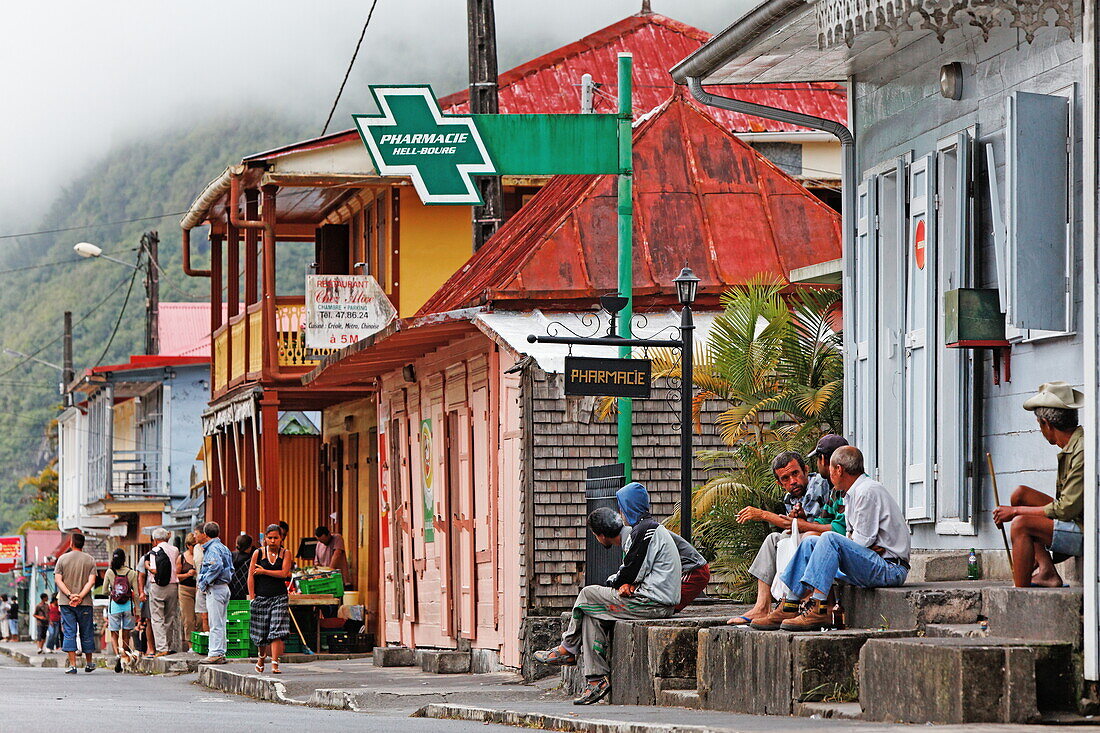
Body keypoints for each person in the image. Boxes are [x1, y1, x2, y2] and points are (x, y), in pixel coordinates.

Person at [533, 507, 681, 705]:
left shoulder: (641, 533)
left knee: (587, 594)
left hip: (653, 603)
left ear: (601, 535)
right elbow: (632, 571)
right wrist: (625, 582)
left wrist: (626, 582)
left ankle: (568, 648)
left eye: (595, 535)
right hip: (651, 598)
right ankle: (596, 680)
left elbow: (631, 571)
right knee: (591, 613)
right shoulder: (641, 531)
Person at [754, 446, 909, 631]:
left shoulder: (867, 491)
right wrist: (858, 545)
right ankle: (789, 605)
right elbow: (854, 538)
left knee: (829, 538)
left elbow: (860, 542)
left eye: (831, 469)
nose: (828, 474)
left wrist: (858, 545)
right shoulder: (852, 493)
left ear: (839, 469)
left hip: (890, 569)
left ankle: (819, 608)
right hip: (874, 561)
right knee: (810, 542)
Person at [729, 437, 849, 625]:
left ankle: (797, 605)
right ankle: (762, 606)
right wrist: (799, 519)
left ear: (807, 470)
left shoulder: (821, 483)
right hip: (817, 536)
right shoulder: (790, 498)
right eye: (786, 478)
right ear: (779, 483)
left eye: (796, 473)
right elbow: (803, 523)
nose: (793, 481)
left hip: (827, 541)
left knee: (803, 539)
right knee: (773, 540)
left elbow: (798, 526)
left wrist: (762, 514)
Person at [993, 381, 1085, 588]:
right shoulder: (1074, 443)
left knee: (1021, 524)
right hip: (1076, 517)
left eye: (1039, 425)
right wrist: (1015, 508)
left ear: (1046, 424)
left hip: (1086, 529)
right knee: (1020, 494)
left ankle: (1020, 594)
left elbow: (1065, 509)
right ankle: (1046, 571)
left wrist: (1015, 512)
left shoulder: (1082, 450)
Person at [613, 482, 710, 612]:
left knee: (661, 606)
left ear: (627, 508)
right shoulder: (644, 527)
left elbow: (634, 569)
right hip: (685, 568)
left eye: (621, 508)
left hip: (692, 570)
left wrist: (622, 582)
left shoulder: (643, 531)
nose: (620, 513)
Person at [249, 524, 293, 675]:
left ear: (281, 539)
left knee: (277, 630)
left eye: (276, 538)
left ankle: (275, 663)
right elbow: (251, 576)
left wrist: (264, 571)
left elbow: (284, 573)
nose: (273, 541)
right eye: (270, 538)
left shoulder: (286, 553)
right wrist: (252, 596)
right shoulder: (258, 554)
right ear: (265, 539)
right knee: (261, 632)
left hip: (279, 597)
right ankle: (261, 657)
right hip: (261, 597)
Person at [54, 532, 99, 673]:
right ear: (83, 544)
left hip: (66, 603)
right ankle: (89, 663)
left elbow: (58, 580)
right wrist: (80, 596)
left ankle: (73, 665)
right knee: (86, 631)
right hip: (84, 602)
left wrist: (69, 595)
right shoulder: (90, 560)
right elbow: (91, 581)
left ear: (71, 543)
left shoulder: (62, 559)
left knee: (69, 631)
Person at [196, 521, 234, 665]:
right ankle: (220, 651)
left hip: (216, 588)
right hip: (224, 586)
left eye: (197, 533)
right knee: (221, 622)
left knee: (215, 622)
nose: (195, 536)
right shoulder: (223, 548)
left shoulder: (212, 549)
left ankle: (215, 653)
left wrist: (205, 581)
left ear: (205, 535)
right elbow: (229, 568)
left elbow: (215, 565)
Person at [143, 528, 180, 656]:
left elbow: (154, 570)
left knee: (157, 617)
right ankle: (168, 645)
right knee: (170, 616)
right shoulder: (175, 550)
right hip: (173, 585)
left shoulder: (154, 551)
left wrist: (147, 566)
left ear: (155, 540)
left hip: (157, 586)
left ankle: (162, 647)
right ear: (167, 538)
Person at [102, 548, 139, 672]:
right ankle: (125, 654)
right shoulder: (131, 573)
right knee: (126, 633)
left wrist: (113, 593)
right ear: (124, 559)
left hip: (114, 606)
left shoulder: (110, 572)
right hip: (128, 606)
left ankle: (118, 654)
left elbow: (104, 591)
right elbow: (137, 593)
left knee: (114, 632)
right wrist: (137, 610)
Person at [178, 532, 199, 651]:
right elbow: (175, 576)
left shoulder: (201, 555)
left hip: (199, 588)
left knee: (201, 618)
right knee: (188, 619)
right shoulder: (182, 557)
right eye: (193, 545)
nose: (195, 548)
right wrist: (187, 574)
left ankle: (200, 641)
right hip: (185, 589)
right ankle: (190, 644)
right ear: (188, 545)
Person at [229, 533, 254, 601]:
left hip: (232, 592)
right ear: (249, 546)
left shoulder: (231, 556)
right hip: (246, 593)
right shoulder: (251, 559)